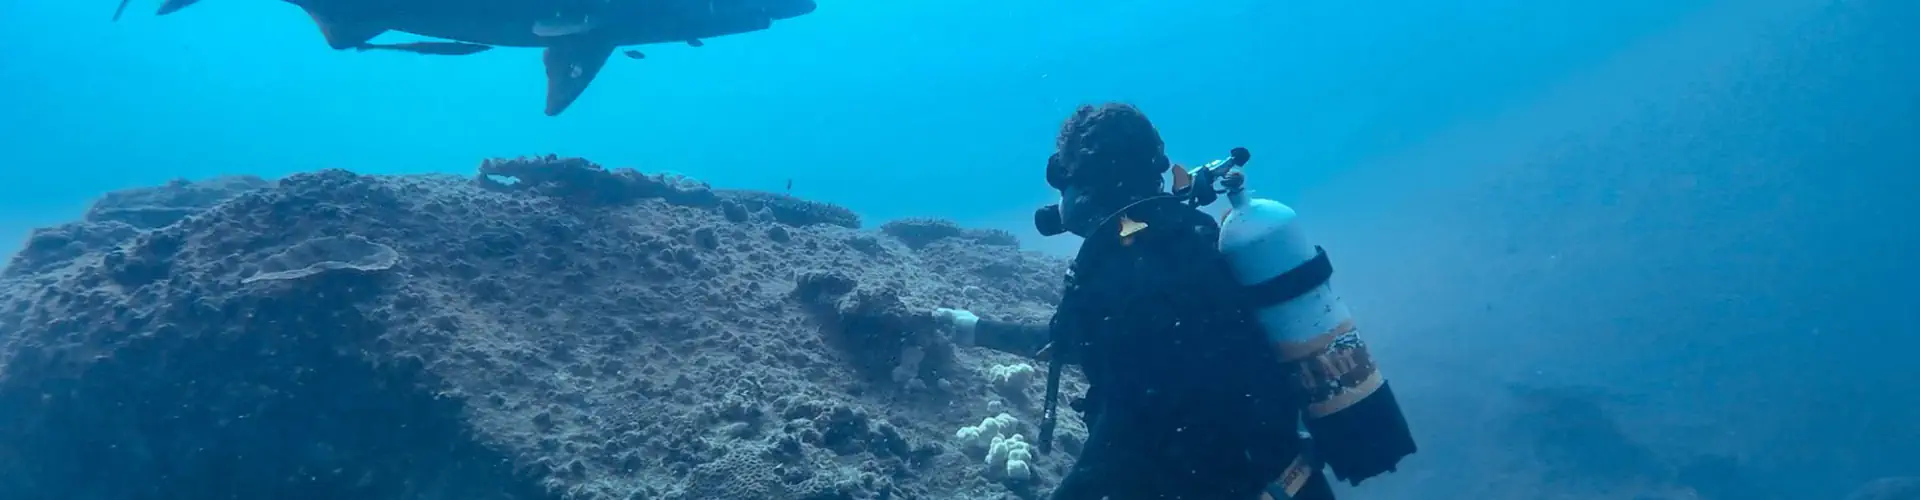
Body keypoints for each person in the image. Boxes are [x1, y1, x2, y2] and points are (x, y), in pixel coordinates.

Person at [933, 103, 1347, 500]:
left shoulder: (1122, 274)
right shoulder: (1189, 237)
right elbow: (1078, 340)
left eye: (1064, 177)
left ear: (1086, 184)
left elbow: (1126, 441)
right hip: (1290, 479)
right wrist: (974, 329)